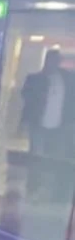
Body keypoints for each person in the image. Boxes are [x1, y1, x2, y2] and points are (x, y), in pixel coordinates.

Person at [19, 47, 73, 193]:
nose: (54, 63)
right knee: (36, 156)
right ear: (46, 61)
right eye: (51, 60)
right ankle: (33, 187)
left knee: (55, 158)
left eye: (57, 61)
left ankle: (52, 189)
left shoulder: (67, 79)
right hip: (39, 125)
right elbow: (26, 98)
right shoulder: (35, 78)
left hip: (59, 128)